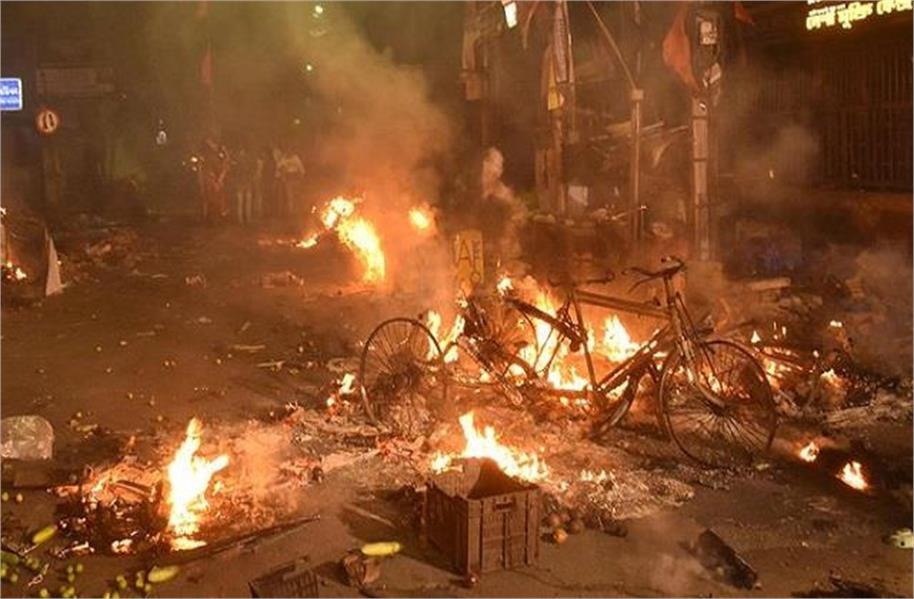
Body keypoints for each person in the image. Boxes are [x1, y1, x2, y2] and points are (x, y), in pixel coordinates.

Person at [199, 135, 229, 222]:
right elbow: (205, 169)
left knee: (217, 198)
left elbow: (225, 166)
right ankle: (210, 217)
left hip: (217, 179)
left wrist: (220, 179)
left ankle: (217, 216)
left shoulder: (219, 154)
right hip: (211, 179)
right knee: (210, 198)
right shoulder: (207, 155)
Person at [229, 142, 257, 224]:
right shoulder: (248, 159)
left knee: (242, 201)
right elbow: (252, 170)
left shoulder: (238, 160)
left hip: (243, 182)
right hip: (244, 182)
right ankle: (245, 218)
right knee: (245, 200)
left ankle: (242, 218)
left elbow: (234, 171)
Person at [274, 146, 305, 216]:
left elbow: (301, 168)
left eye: (290, 150)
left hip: (295, 177)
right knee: (289, 196)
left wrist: (301, 177)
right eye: (287, 150)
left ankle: (297, 210)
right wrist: (282, 174)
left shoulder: (295, 158)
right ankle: (291, 211)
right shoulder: (284, 158)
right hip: (288, 178)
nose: (289, 151)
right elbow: (279, 167)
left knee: (296, 195)